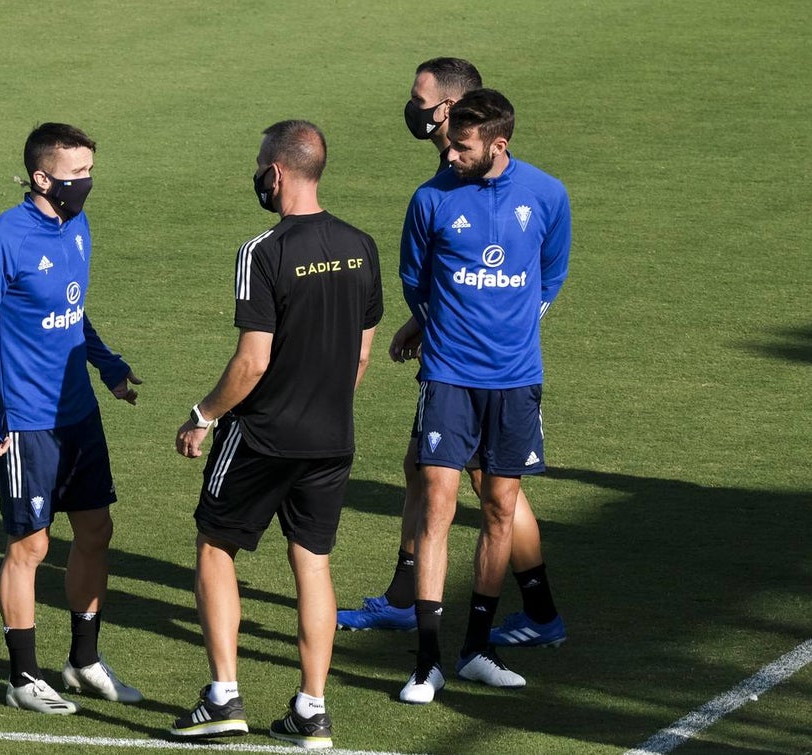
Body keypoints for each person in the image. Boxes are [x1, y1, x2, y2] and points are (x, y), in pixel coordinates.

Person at [337, 58, 567, 656]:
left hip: (475, 364)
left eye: (420, 100)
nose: (411, 109)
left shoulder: (487, 176)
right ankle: (409, 597)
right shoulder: (445, 181)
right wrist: (427, 316)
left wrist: (458, 322)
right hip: (450, 350)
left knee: (485, 485)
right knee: (426, 469)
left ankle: (512, 611)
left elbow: (542, 273)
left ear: (450, 109)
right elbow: (434, 270)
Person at [168, 120, 382, 749]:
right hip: (332, 437)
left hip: (262, 435)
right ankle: (312, 711)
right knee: (312, 562)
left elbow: (252, 362)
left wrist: (203, 416)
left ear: (278, 172)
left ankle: (223, 697)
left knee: (215, 546)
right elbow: (362, 354)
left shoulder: (263, 251)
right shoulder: (362, 245)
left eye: (261, 164)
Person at [0, 122, 144, 715]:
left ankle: (83, 662)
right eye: (76, 173)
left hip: (78, 414)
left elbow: (73, 313)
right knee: (30, 546)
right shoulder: (1, 240)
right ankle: (22, 677)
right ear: (42, 177)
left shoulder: (78, 226)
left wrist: (108, 366)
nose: (86, 182)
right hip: (25, 423)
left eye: (90, 170)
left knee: (96, 532)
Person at [395, 88, 571, 704]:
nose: (452, 155)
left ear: (499, 144)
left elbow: (552, 271)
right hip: (448, 374)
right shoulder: (431, 197)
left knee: (500, 506)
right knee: (439, 499)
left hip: (516, 378)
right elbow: (415, 278)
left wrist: (518, 321)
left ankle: (474, 649)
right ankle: (425, 662)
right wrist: (443, 324)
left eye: (463, 147)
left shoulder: (547, 194)